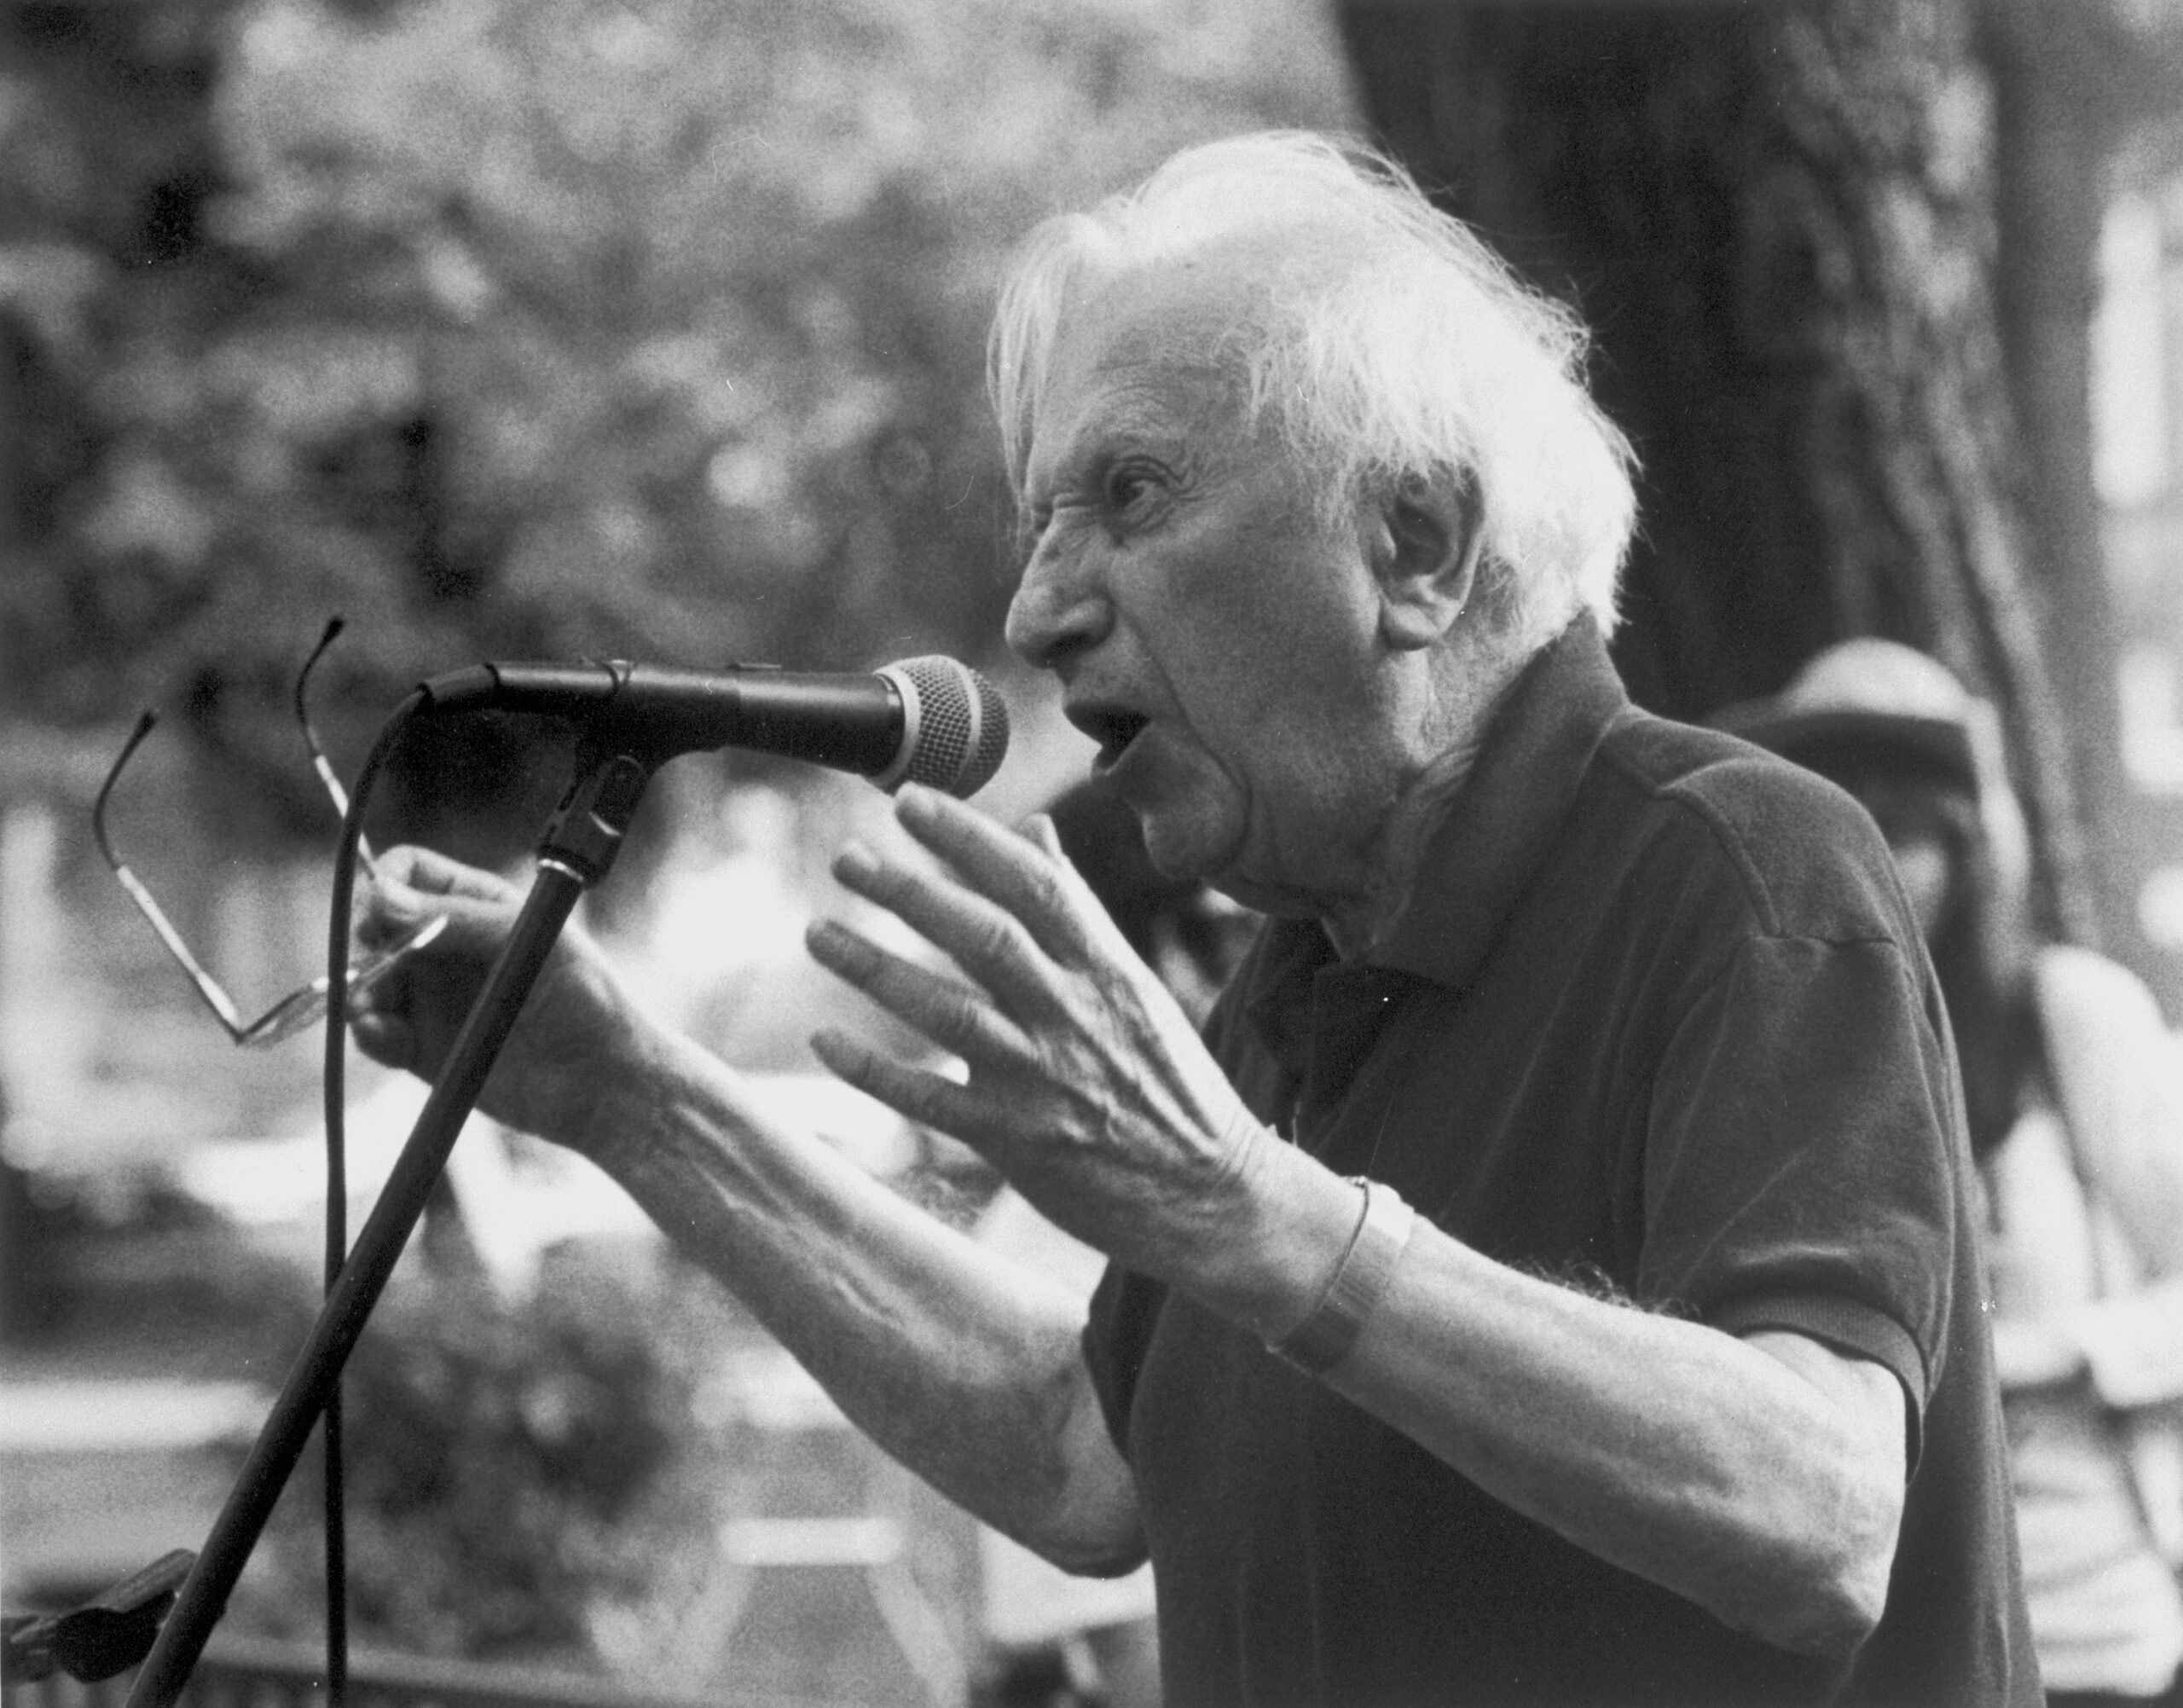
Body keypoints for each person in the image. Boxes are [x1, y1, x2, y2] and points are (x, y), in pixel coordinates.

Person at [351, 132, 2035, 1705]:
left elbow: (1818, 1509)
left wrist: (1249, 1210)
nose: (1035, 605)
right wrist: (627, 1093)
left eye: (1130, 499)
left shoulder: (1736, 864)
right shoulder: (1301, 962)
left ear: (1416, 545)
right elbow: (1089, 1452)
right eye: (1037, 519)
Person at [1722, 640, 2183, 1708]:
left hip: (2098, 1628)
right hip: (1901, 1658)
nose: (1860, 863)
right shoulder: (1766, 1051)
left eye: (1892, 828)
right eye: (1824, 818)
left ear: (1967, 841)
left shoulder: (2065, 1019)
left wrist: (2037, 1355)